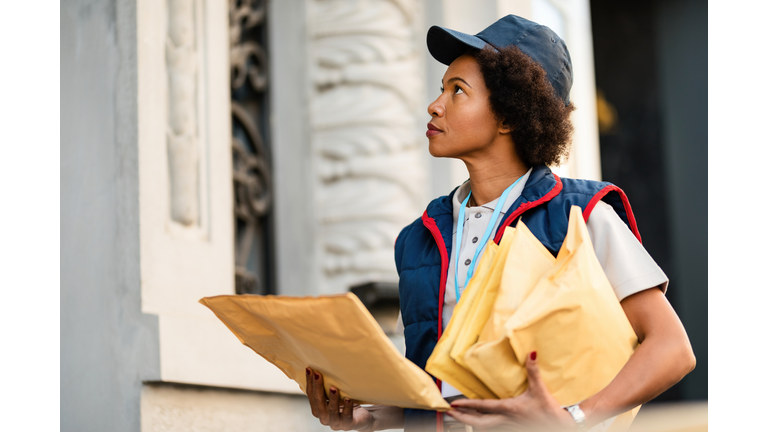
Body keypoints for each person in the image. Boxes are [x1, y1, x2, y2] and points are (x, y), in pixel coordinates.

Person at [305, 14, 695, 432]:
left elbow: (672, 349)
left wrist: (573, 417)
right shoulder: (417, 240)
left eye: (458, 91)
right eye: (441, 89)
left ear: (510, 116)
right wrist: (364, 415)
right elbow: (438, 394)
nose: (435, 105)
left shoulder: (580, 214)